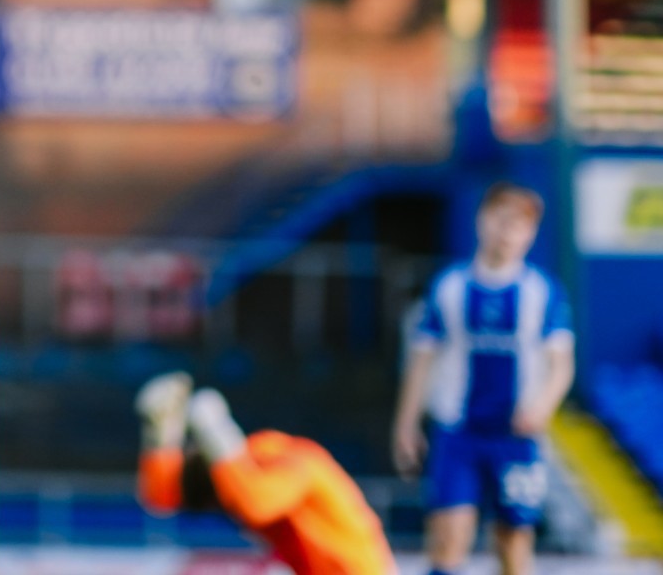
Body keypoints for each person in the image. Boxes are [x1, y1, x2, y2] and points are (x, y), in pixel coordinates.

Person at [393, 182, 575, 575]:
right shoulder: (450, 287)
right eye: (501, 220)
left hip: (516, 438)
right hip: (458, 432)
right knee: (448, 534)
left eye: (519, 224)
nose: (508, 231)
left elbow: (562, 365)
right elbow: (423, 359)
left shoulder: (542, 292)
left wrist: (542, 406)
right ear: (482, 221)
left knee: (512, 542)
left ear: (531, 234)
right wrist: (406, 424)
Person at [135, 372, 396, 575]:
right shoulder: (240, 476)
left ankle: (212, 430)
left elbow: (255, 503)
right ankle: (176, 432)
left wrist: (216, 431)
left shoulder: (290, 461)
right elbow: (163, 498)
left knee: (250, 495)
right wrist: (162, 438)